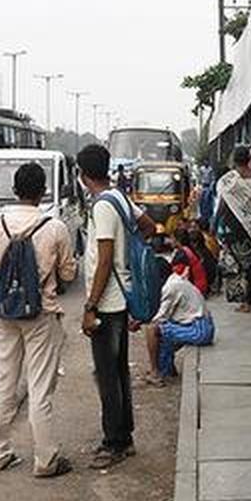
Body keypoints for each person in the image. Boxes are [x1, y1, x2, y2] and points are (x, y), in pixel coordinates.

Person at [0, 163, 77, 478]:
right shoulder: (55, 227)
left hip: (5, 312)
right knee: (40, 387)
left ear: (14, 190)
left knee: (4, 380)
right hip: (41, 314)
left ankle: (0, 451)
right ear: (43, 191)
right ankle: (46, 459)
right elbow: (68, 274)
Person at [77, 143, 155, 469]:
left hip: (108, 303)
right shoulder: (120, 198)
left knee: (107, 374)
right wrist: (132, 254)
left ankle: (114, 443)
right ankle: (125, 436)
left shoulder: (102, 207)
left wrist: (90, 306)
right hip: (122, 299)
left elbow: (104, 259)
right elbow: (149, 226)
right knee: (118, 370)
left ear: (82, 175)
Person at [134, 254, 214, 386]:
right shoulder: (176, 281)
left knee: (152, 329)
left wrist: (139, 321)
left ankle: (155, 372)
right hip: (203, 327)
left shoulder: (170, 288)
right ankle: (166, 370)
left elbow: (158, 317)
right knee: (165, 332)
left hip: (199, 329)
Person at [215, 145, 251, 311]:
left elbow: (222, 206)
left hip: (234, 227)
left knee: (237, 263)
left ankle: (244, 300)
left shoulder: (227, 180)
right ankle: (250, 295)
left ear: (234, 160)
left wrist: (215, 224)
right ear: (249, 159)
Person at [172, 228, 208, 296]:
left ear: (177, 240)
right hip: (201, 286)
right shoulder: (191, 249)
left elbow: (177, 274)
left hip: (196, 289)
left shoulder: (182, 254)